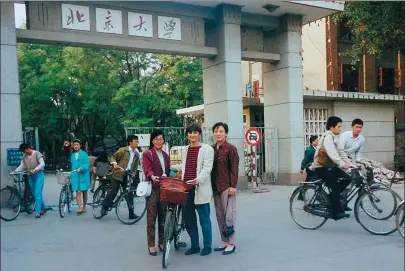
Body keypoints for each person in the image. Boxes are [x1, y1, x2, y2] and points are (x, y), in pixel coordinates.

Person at [171, 124, 214, 256]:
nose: (192, 135)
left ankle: (207, 246)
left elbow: (207, 168)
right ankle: (195, 245)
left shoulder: (207, 149)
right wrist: (171, 167)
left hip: (199, 188)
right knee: (189, 220)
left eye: (195, 132)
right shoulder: (186, 149)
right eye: (190, 133)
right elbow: (184, 166)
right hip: (186, 189)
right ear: (187, 135)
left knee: (204, 220)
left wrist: (198, 179)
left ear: (199, 134)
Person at [310, 116, 352, 220]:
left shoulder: (336, 137)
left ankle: (330, 198)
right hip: (321, 167)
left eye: (341, 126)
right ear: (331, 127)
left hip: (329, 166)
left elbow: (341, 152)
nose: (340, 129)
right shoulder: (328, 137)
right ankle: (336, 212)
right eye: (338, 126)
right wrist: (342, 164)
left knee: (347, 178)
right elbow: (333, 154)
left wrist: (349, 163)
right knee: (335, 188)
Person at [211, 122, 239, 256]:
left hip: (227, 186)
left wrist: (233, 186)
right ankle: (224, 241)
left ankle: (231, 243)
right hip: (215, 187)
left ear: (226, 133)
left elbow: (234, 168)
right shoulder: (211, 149)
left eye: (221, 131)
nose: (218, 134)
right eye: (216, 131)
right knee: (219, 215)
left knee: (229, 216)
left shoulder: (231, 148)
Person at [142, 130, 170, 256]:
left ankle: (162, 242)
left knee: (163, 217)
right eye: (157, 139)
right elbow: (147, 169)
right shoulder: (148, 154)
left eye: (161, 139)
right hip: (153, 188)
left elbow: (168, 171)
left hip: (164, 188)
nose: (159, 141)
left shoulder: (165, 155)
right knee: (152, 217)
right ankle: (151, 244)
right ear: (152, 140)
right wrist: (152, 176)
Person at [100, 135, 140, 219]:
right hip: (118, 173)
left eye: (137, 141)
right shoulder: (123, 150)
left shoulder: (136, 153)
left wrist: (133, 174)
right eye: (135, 141)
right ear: (130, 142)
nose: (137, 143)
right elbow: (113, 157)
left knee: (129, 193)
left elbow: (135, 167)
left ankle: (131, 212)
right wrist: (114, 164)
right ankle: (104, 207)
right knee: (114, 191)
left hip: (127, 175)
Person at [14, 143, 47, 219]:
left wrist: (35, 169)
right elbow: (22, 165)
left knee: (37, 193)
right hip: (30, 176)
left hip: (39, 175)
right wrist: (16, 171)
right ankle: (43, 208)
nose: (24, 152)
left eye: (25, 150)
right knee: (34, 193)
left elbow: (42, 164)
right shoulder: (24, 156)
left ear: (28, 148)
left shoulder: (37, 153)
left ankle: (38, 212)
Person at [70, 139, 91, 215]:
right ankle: (79, 207)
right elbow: (72, 166)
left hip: (83, 175)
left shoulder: (84, 154)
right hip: (75, 175)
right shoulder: (72, 155)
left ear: (80, 146)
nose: (75, 146)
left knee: (84, 192)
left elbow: (87, 164)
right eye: (74, 145)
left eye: (77, 145)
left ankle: (84, 206)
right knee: (78, 191)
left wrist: (81, 168)